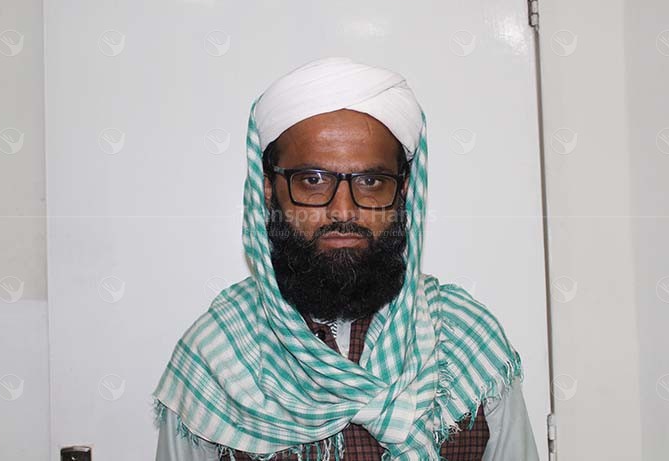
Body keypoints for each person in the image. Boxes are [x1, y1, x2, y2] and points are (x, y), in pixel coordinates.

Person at [152, 56, 539, 460]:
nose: (343, 211)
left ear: (403, 190)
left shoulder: (465, 341)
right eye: (313, 180)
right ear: (268, 189)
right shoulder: (216, 355)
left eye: (370, 181)